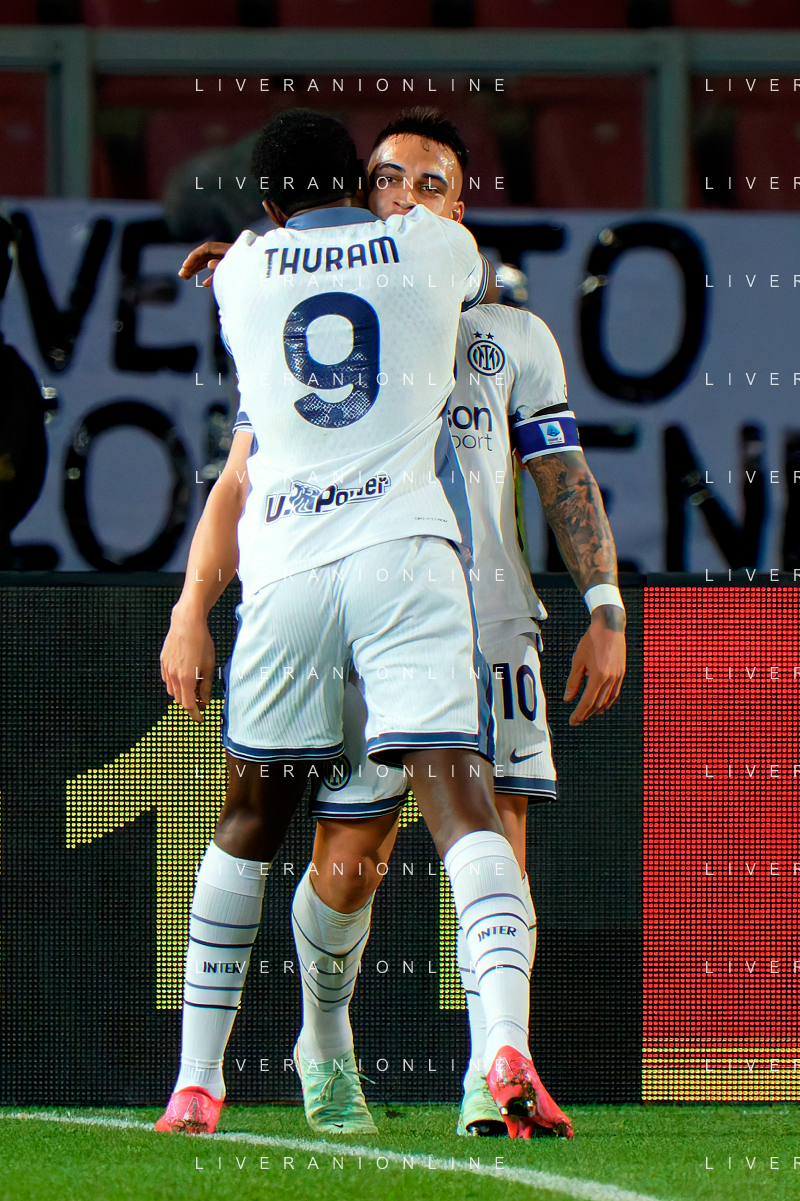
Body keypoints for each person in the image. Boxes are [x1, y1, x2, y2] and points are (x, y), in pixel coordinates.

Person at [173, 108, 626, 1140]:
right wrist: (191, 605)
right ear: (357, 190)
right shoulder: (331, 304)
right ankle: (324, 1036)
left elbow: (562, 473)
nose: (407, 196)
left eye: (431, 183)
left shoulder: (514, 337)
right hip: (382, 596)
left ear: (459, 206)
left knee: (498, 831)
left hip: (488, 616)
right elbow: (238, 480)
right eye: (388, 178)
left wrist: (602, 604)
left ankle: (489, 1068)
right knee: (351, 864)